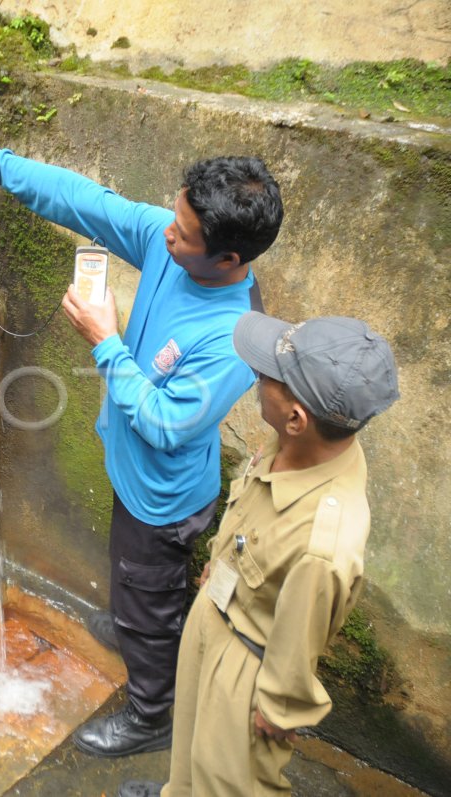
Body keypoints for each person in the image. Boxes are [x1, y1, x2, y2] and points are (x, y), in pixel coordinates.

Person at [0, 120, 285, 756]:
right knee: (140, 585)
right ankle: (139, 620)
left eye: (182, 235)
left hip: (163, 498)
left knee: (146, 589)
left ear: (230, 259)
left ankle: (152, 714)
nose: (165, 235)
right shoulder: (170, 238)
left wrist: (105, 340)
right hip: (136, 478)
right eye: (171, 219)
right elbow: (86, 201)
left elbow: (163, 424)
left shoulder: (233, 335)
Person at [118, 313, 400, 797]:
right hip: (218, 607)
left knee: (229, 776)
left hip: (248, 662)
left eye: (270, 375)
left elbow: (297, 639)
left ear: (296, 417)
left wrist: (277, 708)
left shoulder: (324, 544)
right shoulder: (300, 442)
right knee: (189, 747)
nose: (257, 375)